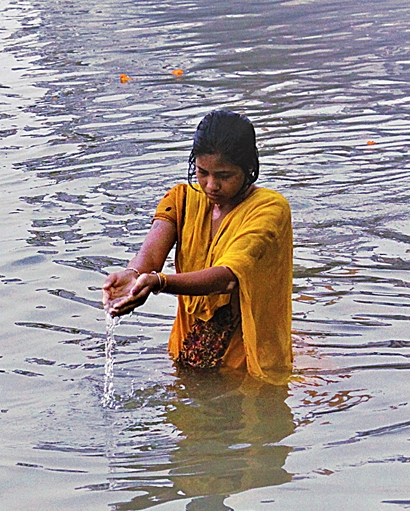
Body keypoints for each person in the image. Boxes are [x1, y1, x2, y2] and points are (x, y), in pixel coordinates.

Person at [102, 110, 293, 378]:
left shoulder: (270, 209)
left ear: (250, 168)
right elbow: (151, 254)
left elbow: (227, 278)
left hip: (248, 364)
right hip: (185, 353)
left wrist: (160, 283)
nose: (211, 185)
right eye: (203, 173)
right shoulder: (181, 199)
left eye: (224, 175)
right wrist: (132, 276)